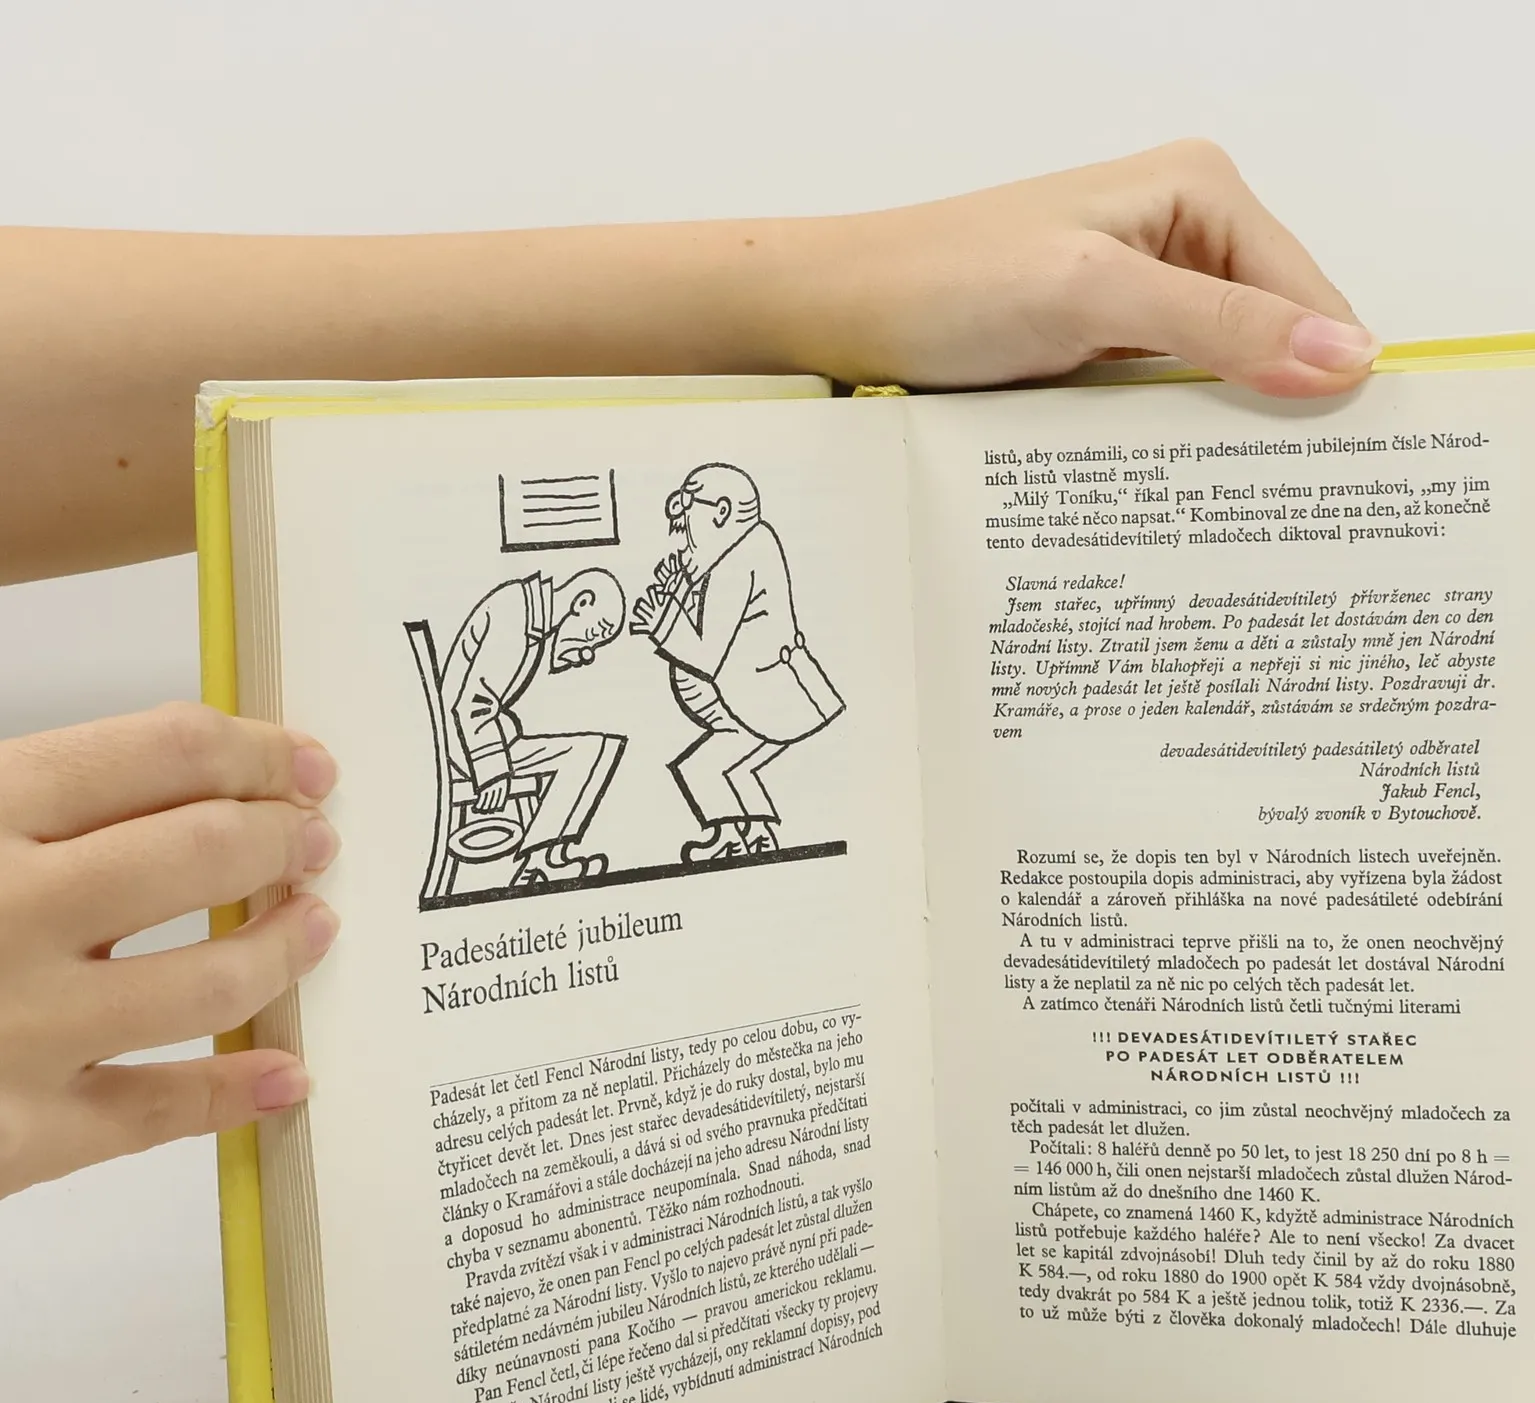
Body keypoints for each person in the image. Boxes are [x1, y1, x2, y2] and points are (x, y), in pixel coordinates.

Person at [0, 141, 1376, 1199]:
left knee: (686, 764)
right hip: (655, 730)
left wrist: (805, 292)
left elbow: (717, 653)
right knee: (673, 765)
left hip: (775, 702)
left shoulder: (728, 561)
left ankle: (702, 827)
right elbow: (507, 702)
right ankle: (668, 831)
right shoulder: (560, 613)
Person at [638, 465, 842, 863]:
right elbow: (712, 611)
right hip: (766, 697)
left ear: (721, 512)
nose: (685, 530)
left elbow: (706, 653)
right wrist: (679, 586)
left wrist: (660, 622)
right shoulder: (748, 545)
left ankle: (731, 837)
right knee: (728, 768)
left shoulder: (738, 561)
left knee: (704, 768)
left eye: (689, 515)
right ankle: (759, 834)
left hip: (765, 702)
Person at [439, 568, 627, 887]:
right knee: (588, 753)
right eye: (596, 633)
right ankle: (541, 864)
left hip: (480, 737)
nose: (589, 651)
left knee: (597, 748)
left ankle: (546, 859)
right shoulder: (514, 615)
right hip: (466, 746)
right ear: (581, 602)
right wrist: (493, 772)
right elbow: (475, 703)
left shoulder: (528, 617)